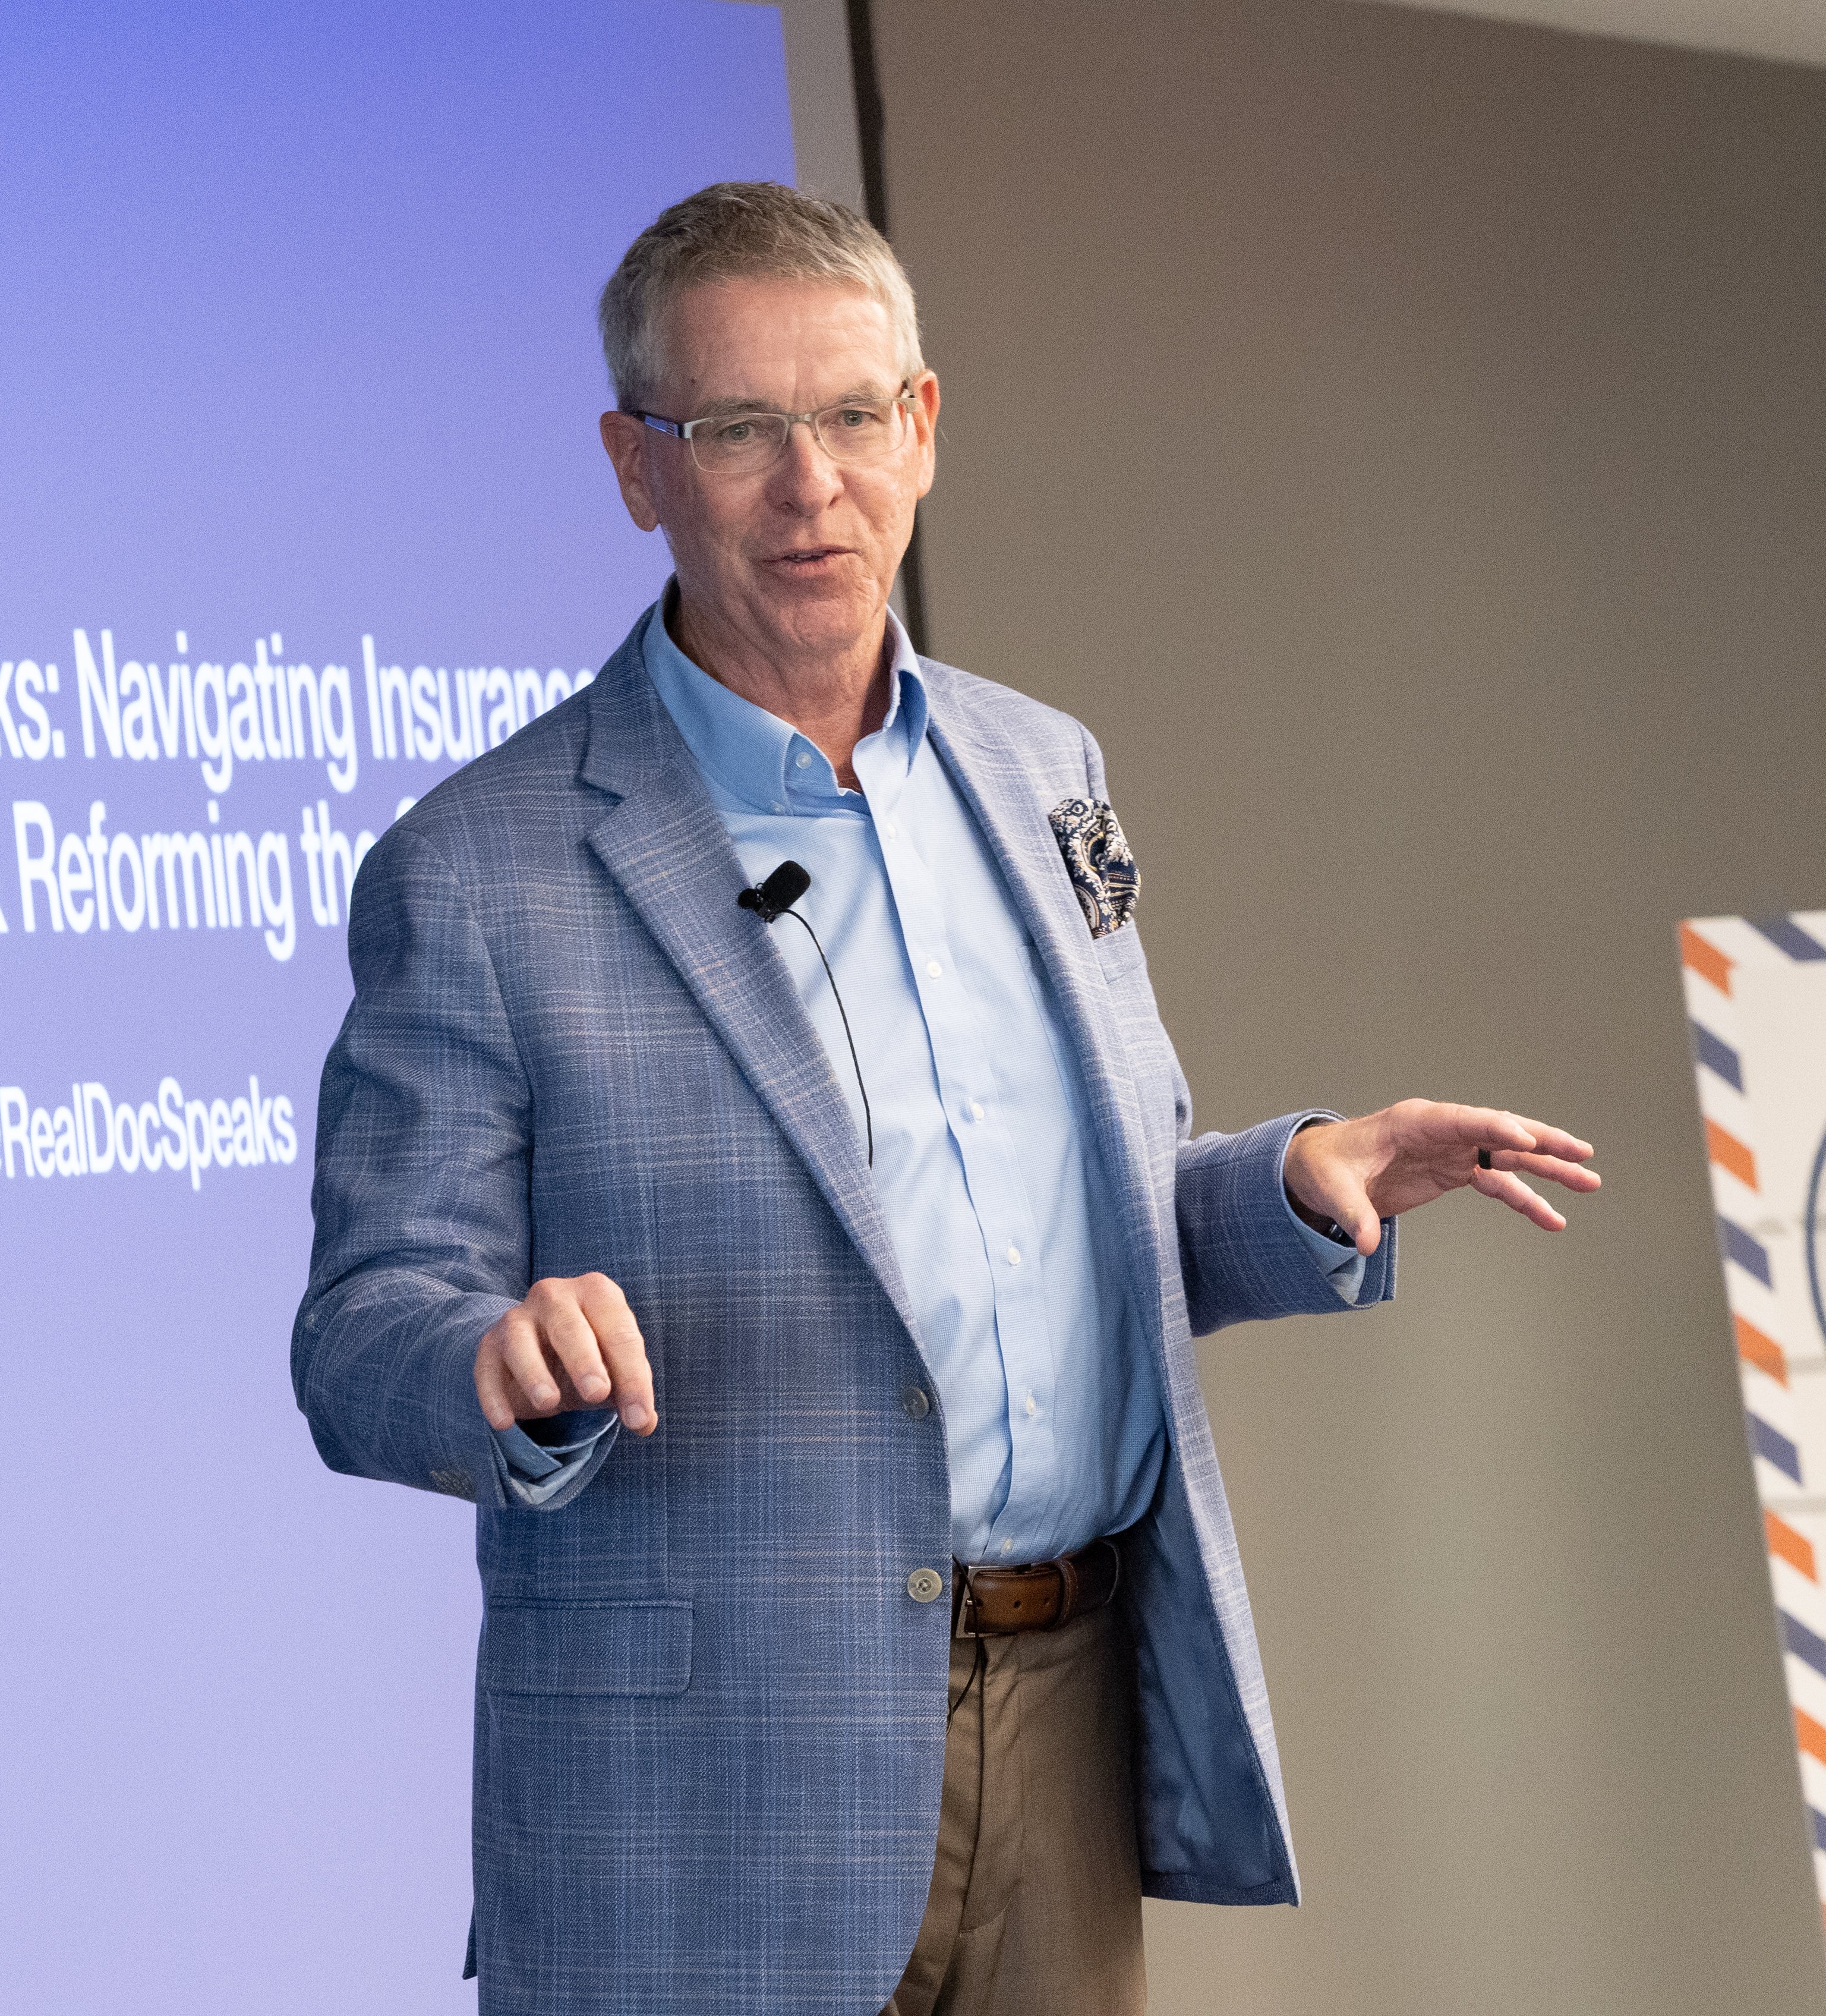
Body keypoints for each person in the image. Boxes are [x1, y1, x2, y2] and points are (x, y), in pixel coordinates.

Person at [294, 181, 1600, 2016]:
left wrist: (1297, 1183)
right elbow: (363, 1330)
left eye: (848, 416)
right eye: (735, 428)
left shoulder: (1035, 767)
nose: (807, 483)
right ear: (632, 465)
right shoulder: (485, 868)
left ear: (923, 428)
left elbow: (1080, 1219)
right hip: (707, 1799)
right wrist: (495, 1363)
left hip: (1061, 1708)